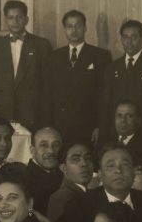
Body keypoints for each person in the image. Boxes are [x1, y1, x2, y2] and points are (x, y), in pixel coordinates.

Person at [41, 9, 109, 148]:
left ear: (85, 28)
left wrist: (99, 126)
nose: (74, 30)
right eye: (69, 26)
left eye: (78, 25)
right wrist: (48, 126)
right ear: (65, 29)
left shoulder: (100, 56)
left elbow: (104, 95)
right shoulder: (54, 57)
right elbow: (47, 95)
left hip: (87, 126)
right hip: (60, 126)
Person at [0, 0, 51, 129]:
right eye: (11, 18)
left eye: (19, 17)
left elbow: (47, 84)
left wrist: (45, 115)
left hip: (31, 111)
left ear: (27, 19)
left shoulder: (41, 45)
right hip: (2, 111)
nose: (15, 22)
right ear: (6, 20)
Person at [2, 125, 64, 214]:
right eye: (44, 145)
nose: (51, 151)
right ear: (32, 150)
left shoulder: (64, 174)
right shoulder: (21, 178)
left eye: (56, 145)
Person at [46, 140, 96, 222]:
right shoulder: (61, 198)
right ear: (63, 168)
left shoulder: (89, 193)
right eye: (76, 159)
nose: (84, 163)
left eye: (88, 158)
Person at [100, 99, 142, 168]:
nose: (123, 120)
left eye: (129, 116)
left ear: (138, 120)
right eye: (119, 115)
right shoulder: (104, 141)